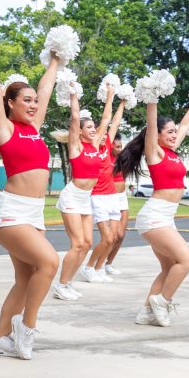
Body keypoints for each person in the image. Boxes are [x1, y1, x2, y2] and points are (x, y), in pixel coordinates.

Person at [0, 44, 60, 359]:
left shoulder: (34, 128)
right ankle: (26, 328)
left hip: (34, 213)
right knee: (49, 262)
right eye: (26, 100)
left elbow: (46, 88)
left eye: (34, 101)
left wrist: (55, 61)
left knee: (26, 279)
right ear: (9, 103)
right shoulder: (4, 128)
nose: (33, 104)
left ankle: (1, 339)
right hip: (11, 212)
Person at [115, 95, 189, 327]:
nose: (174, 135)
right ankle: (162, 301)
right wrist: (152, 97)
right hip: (154, 217)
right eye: (169, 132)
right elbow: (151, 123)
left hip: (166, 217)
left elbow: (186, 124)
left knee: (169, 267)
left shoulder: (172, 151)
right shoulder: (156, 152)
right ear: (158, 135)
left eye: (175, 132)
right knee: (187, 260)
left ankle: (145, 312)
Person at [53, 87, 117, 298]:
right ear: (79, 131)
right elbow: (74, 118)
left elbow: (106, 119)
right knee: (78, 243)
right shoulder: (76, 146)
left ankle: (68, 282)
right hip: (72, 197)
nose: (93, 129)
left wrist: (110, 95)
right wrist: (73, 95)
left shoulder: (95, 145)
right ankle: (61, 285)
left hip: (85, 199)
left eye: (93, 127)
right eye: (88, 127)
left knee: (87, 243)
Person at [83, 95, 126, 282]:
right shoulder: (90, 148)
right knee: (107, 238)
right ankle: (88, 267)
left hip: (112, 196)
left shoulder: (107, 146)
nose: (101, 135)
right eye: (96, 132)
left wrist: (122, 101)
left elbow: (113, 121)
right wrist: (109, 95)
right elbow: (106, 119)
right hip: (98, 197)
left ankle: (99, 269)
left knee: (114, 237)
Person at [98, 132, 130, 276]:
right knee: (112, 236)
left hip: (122, 198)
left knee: (121, 235)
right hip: (110, 197)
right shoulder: (105, 157)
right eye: (117, 147)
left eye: (121, 146)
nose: (120, 149)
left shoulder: (122, 159)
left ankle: (108, 264)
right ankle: (98, 264)